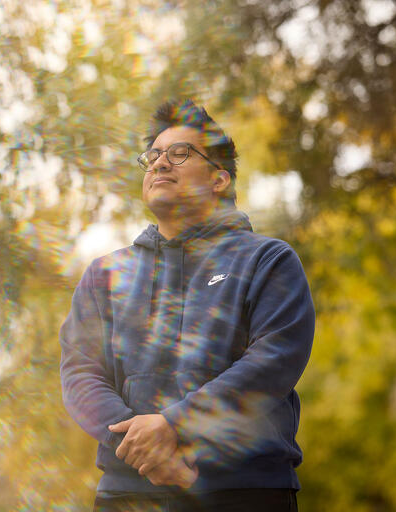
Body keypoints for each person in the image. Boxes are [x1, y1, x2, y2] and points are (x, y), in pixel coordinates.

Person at [59, 99, 315, 512]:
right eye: (154, 155)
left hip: (244, 491)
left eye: (180, 153)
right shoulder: (105, 275)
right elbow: (80, 372)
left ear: (218, 179)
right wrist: (145, 449)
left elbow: (274, 359)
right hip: (128, 493)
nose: (160, 164)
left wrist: (175, 425)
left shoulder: (267, 260)